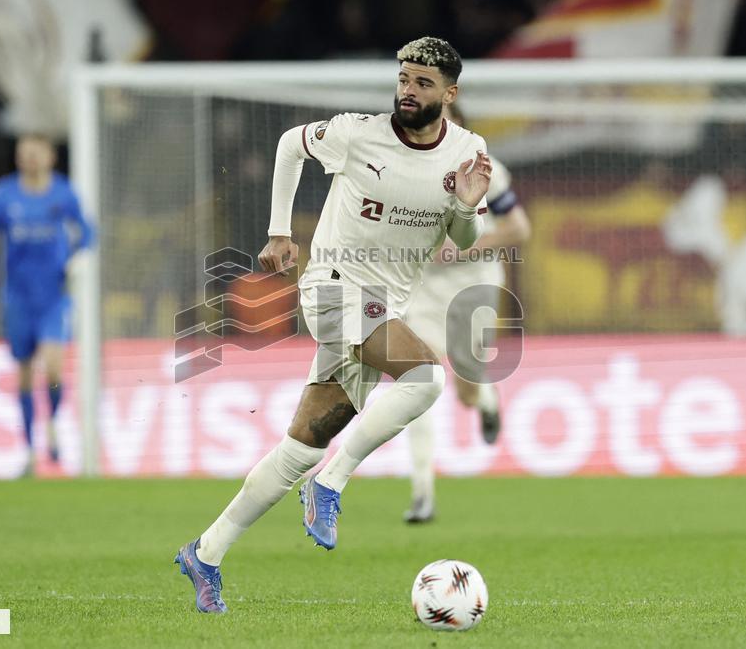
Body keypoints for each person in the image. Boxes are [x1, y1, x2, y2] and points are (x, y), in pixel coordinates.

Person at [174, 36, 493, 614]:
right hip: (332, 285)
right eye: (403, 78)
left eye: (422, 83)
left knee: (302, 444)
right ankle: (332, 483)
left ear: (450, 93)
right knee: (426, 378)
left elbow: (465, 240)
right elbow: (289, 146)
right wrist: (278, 231)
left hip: (383, 306)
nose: (408, 90)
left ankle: (206, 552)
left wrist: (467, 206)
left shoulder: (467, 153)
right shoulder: (357, 133)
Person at [402, 103, 532, 524]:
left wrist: (462, 250)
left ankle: (487, 398)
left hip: (473, 286)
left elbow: (519, 229)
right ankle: (422, 492)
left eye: (448, 120)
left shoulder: (486, 171)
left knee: (467, 387)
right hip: (421, 291)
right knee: (417, 382)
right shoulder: (402, 170)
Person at [0, 134, 94, 477]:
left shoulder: (63, 193)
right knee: (24, 372)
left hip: (53, 297)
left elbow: (87, 231)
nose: (29, 158)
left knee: (54, 367)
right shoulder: (4, 194)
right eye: (23, 153)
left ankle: (53, 421)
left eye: (35, 153)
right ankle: (28, 449)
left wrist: (79, 257)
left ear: (50, 157)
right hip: (19, 299)